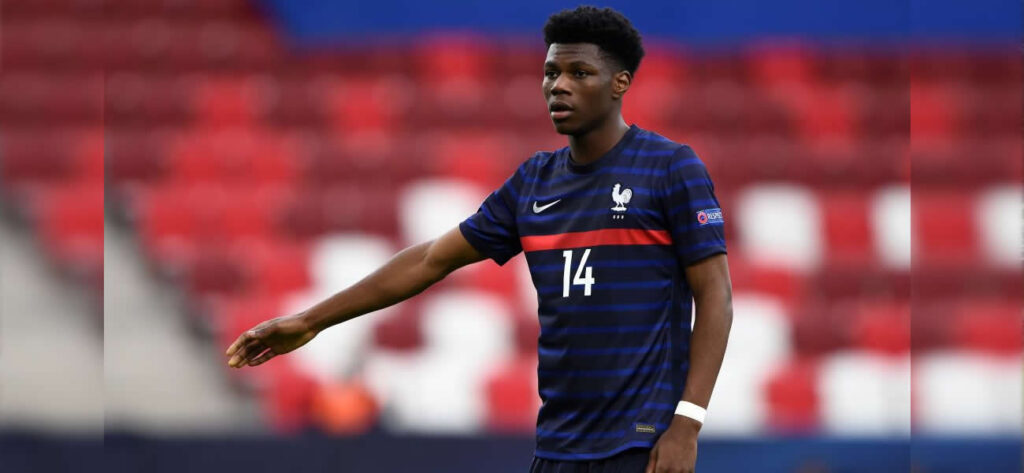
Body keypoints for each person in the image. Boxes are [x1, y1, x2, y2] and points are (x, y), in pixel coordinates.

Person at [225, 6, 732, 473]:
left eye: (580, 73)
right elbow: (429, 259)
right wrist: (310, 321)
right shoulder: (534, 182)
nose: (559, 86)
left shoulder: (670, 168)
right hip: (558, 447)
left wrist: (686, 423)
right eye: (551, 72)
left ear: (619, 83)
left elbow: (716, 297)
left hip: (641, 445)